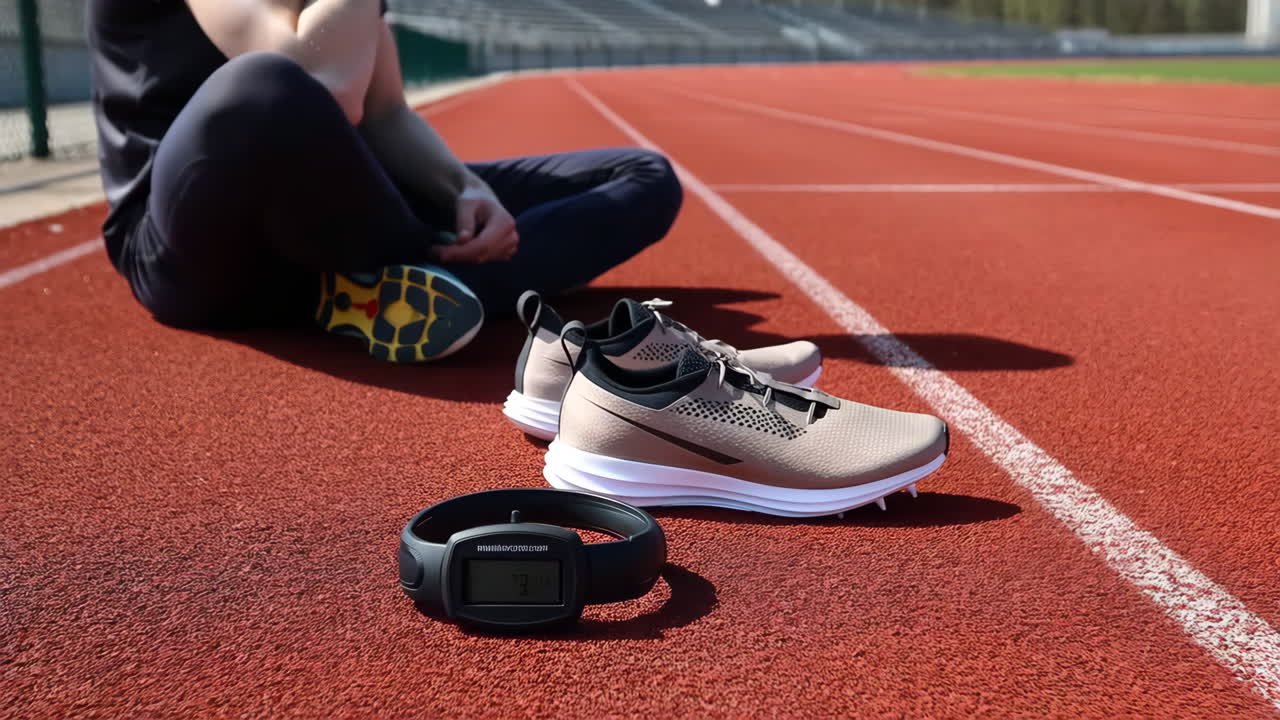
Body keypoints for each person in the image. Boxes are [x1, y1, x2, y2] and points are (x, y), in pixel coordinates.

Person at [87, 0, 683, 362]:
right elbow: (320, 80)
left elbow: (386, 113)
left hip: (328, 218)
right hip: (192, 250)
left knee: (643, 175)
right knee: (262, 87)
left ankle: (408, 282)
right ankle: (444, 281)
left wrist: (463, 191)